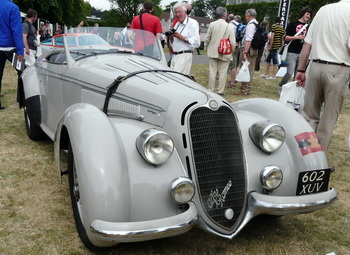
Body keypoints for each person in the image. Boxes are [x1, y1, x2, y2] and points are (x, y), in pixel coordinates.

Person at [295, 0, 350, 152]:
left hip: (315, 66)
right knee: (328, 119)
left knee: (309, 115)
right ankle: (318, 161)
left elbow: (307, 44)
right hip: (339, 68)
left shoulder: (323, 10)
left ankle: (306, 155)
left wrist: (300, 70)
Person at [278, 8, 312, 92]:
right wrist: (297, 37)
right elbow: (285, 37)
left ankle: (294, 90)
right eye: (307, 14)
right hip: (292, 52)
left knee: (298, 73)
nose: (308, 16)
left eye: (310, 15)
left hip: (302, 52)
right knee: (289, 72)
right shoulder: (293, 23)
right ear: (303, 14)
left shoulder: (309, 27)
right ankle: (281, 85)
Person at [205, 7, 235, 96]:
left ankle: (210, 89)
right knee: (223, 72)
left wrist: (210, 45)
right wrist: (230, 51)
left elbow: (206, 39)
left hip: (213, 51)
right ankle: (220, 91)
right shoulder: (230, 27)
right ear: (225, 15)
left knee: (212, 71)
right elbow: (233, 42)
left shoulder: (212, 24)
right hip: (225, 52)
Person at [0, 0, 24, 109]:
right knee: (22, 71)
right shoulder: (13, 7)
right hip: (11, 47)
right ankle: (22, 99)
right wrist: (20, 50)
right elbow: (16, 30)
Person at [169, 2, 200, 75]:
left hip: (184, 56)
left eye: (179, 12)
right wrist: (171, 37)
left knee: (177, 79)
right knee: (172, 78)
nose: (177, 14)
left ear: (185, 12)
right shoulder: (177, 24)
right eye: (176, 12)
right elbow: (175, 41)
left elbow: (197, 43)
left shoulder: (192, 23)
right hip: (175, 55)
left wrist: (183, 38)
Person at [237, 9, 258, 95]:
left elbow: (248, 40)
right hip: (254, 49)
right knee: (251, 69)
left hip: (248, 49)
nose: (245, 18)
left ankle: (244, 90)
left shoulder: (250, 25)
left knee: (245, 68)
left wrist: (245, 52)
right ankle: (248, 89)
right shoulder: (256, 23)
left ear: (249, 15)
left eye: (246, 16)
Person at [227, 14, 243, 88]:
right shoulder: (239, 25)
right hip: (239, 46)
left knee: (232, 65)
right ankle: (235, 78)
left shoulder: (229, 25)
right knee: (236, 65)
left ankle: (232, 83)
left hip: (233, 46)